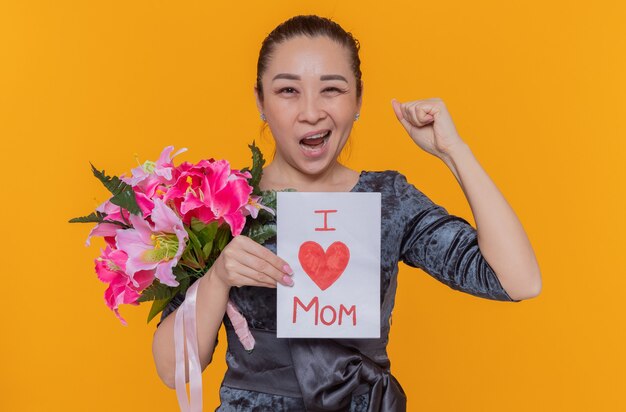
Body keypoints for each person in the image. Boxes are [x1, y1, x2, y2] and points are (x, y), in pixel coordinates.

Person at [152, 14, 542, 411]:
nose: (311, 112)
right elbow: (172, 371)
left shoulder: (388, 199)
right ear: (260, 102)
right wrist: (218, 277)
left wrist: (454, 152)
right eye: (288, 90)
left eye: (331, 90)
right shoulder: (220, 200)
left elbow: (518, 280)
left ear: (358, 99)